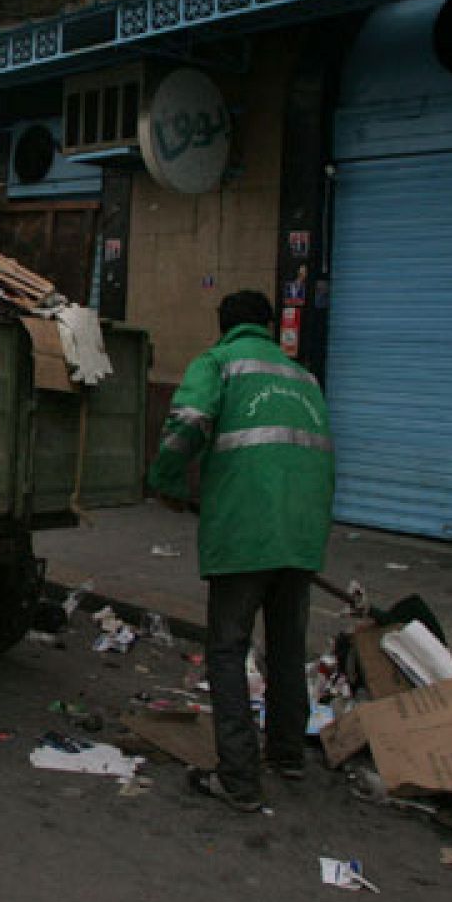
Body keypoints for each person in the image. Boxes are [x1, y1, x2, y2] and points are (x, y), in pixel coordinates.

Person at [147, 289, 335, 813]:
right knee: (287, 649)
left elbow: (186, 423)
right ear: (271, 326)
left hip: (245, 533)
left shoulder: (220, 363)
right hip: (300, 536)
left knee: (228, 650)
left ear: (223, 325)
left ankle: (238, 780)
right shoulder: (303, 378)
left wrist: (165, 481)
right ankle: (288, 756)